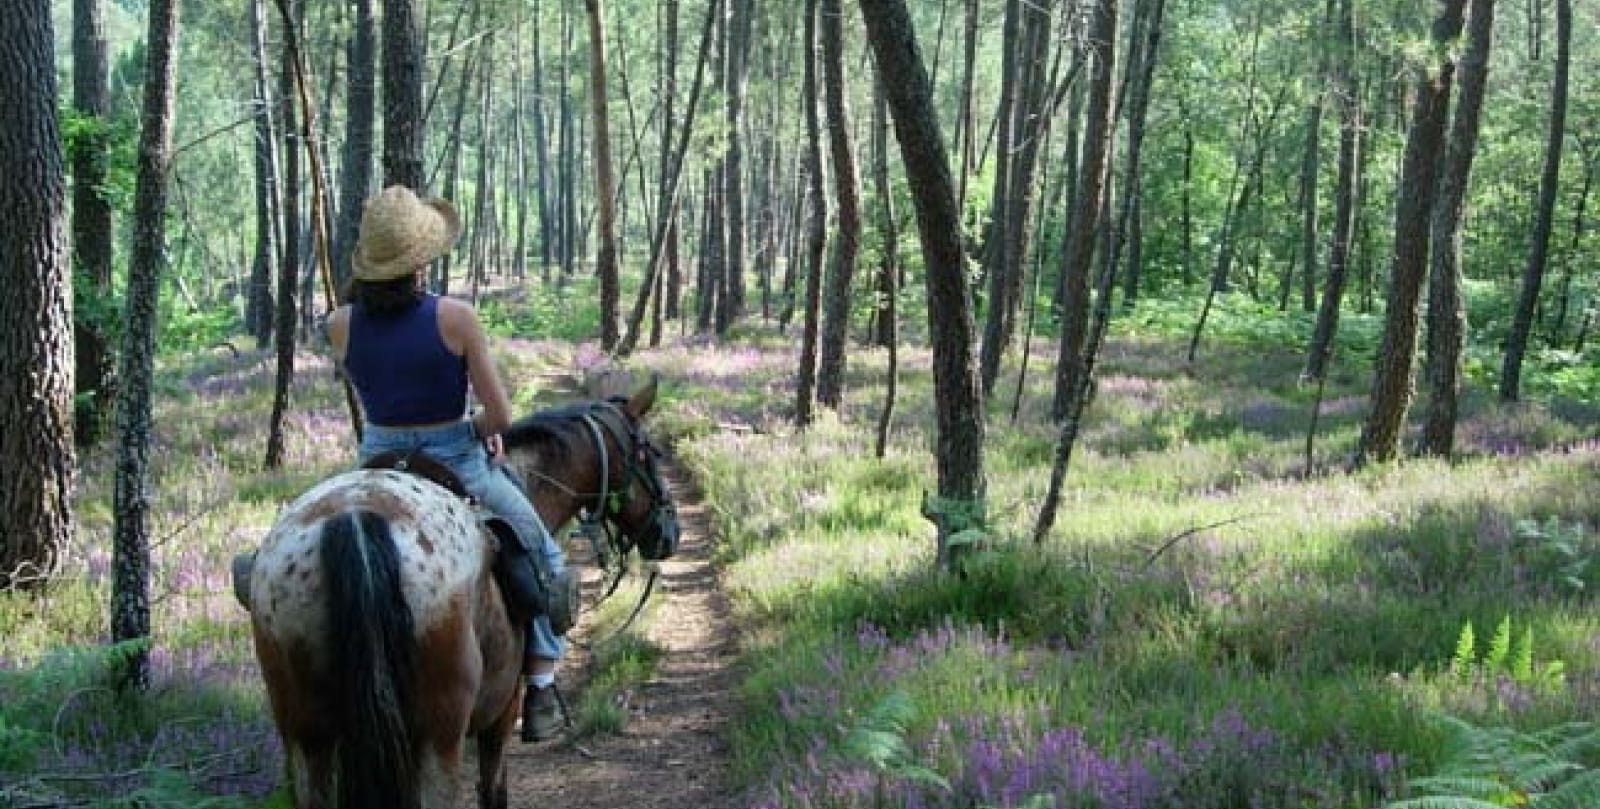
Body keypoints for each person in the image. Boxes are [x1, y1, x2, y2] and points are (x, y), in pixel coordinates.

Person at [327, 184, 566, 742]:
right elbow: (501, 414)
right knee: (542, 554)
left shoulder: (340, 324)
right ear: (421, 261)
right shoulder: (456, 317)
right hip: (456, 458)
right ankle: (542, 682)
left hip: (375, 464)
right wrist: (478, 433)